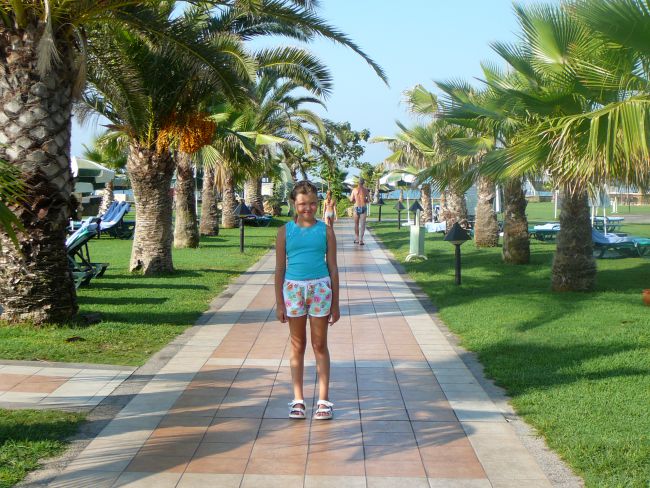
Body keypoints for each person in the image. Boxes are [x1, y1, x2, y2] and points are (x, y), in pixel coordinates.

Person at [275, 180, 340, 420]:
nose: (308, 208)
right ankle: (298, 400)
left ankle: (323, 400)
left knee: (319, 345)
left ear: (318, 204)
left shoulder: (326, 231)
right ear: (294, 203)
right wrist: (279, 303)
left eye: (312, 203)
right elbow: (279, 269)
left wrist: (336, 303)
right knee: (298, 345)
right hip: (293, 290)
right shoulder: (284, 232)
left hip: (320, 289)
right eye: (302, 204)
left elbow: (333, 268)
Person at [349, 177, 370, 245]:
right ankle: (361, 240)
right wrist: (365, 200)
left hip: (356, 206)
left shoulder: (354, 190)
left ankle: (357, 239)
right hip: (363, 206)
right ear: (363, 183)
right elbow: (369, 200)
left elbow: (351, 200)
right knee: (363, 224)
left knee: (356, 224)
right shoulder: (366, 190)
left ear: (358, 183)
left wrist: (355, 200)